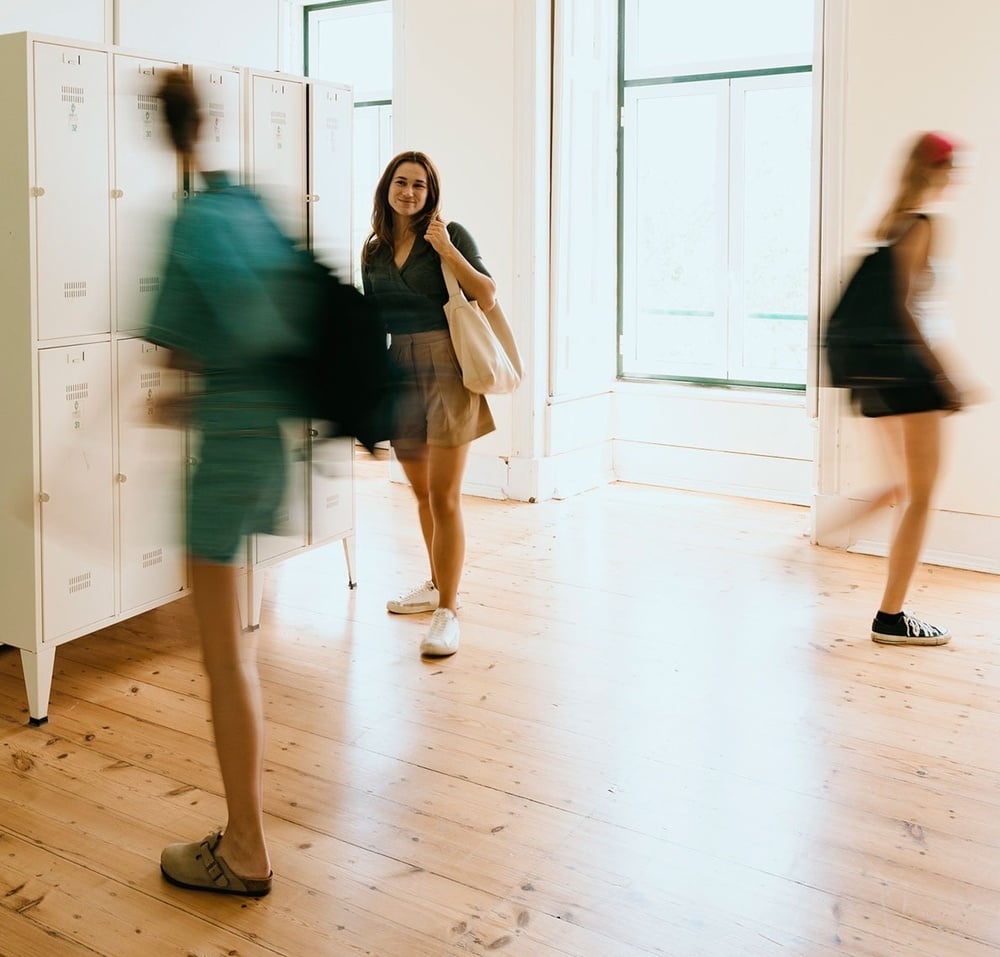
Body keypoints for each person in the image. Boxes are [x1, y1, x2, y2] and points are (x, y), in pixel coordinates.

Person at [145, 69, 314, 896]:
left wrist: (179, 394)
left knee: (226, 658)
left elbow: (175, 347)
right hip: (274, 444)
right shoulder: (247, 204)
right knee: (237, 649)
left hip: (226, 461)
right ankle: (242, 831)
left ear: (161, 133)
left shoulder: (189, 222)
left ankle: (245, 845)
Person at [360, 150, 497, 658]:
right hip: (400, 370)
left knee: (444, 497)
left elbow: (486, 293)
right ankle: (437, 585)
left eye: (420, 185)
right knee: (419, 494)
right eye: (402, 182)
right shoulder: (373, 252)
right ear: (387, 188)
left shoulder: (450, 234)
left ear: (431, 193)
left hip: (447, 367)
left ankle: (449, 612)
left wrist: (447, 252)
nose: (410, 192)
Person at [850, 131, 965, 646]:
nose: (957, 177)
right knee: (920, 496)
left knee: (901, 488)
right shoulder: (923, 226)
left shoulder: (893, 226)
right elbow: (904, 310)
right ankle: (891, 618)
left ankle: (828, 529)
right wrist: (942, 375)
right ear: (935, 171)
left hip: (884, 377)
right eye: (953, 168)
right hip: (913, 376)